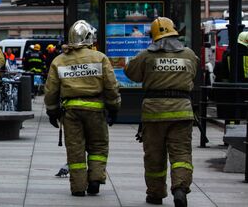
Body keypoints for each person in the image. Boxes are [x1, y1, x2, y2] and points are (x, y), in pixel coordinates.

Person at [125, 17, 199, 207]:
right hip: (182, 111)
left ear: (153, 36)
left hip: (154, 113)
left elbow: (130, 73)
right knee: (181, 153)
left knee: (154, 155)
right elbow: (194, 74)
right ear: (175, 32)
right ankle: (180, 188)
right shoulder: (189, 54)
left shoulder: (146, 56)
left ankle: (155, 194)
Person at [44, 20, 121, 197]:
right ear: (88, 38)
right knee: (98, 146)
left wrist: (52, 111)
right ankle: (95, 179)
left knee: (75, 149)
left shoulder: (59, 60)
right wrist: (114, 107)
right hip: (96, 111)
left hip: (71, 112)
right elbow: (111, 85)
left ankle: (78, 187)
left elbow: (51, 90)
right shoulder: (100, 57)